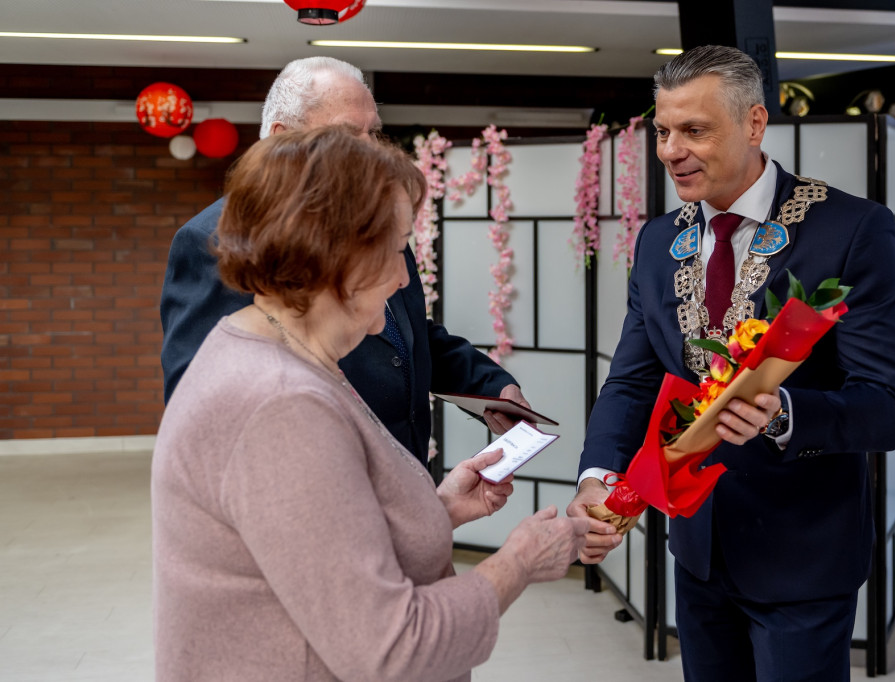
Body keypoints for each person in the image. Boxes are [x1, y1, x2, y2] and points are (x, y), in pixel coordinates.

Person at [151, 126, 589, 681]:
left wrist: (439, 508)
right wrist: (520, 561)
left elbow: (311, 542)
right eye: (395, 248)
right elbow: (389, 649)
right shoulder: (281, 406)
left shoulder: (273, 347)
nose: (405, 275)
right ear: (338, 256)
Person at [567, 45, 895, 681]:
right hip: (697, 550)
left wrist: (785, 413)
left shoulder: (849, 229)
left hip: (803, 558)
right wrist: (598, 478)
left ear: (754, 124)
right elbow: (632, 382)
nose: (671, 151)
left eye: (695, 131)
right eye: (664, 131)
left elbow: (888, 409)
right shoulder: (657, 241)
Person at [160, 57, 527, 464]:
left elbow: (401, 335)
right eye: (348, 134)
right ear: (283, 140)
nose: (371, 150)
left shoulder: (372, 222)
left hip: (405, 479)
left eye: (374, 133)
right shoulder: (216, 241)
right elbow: (202, 410)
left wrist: (487, 385)